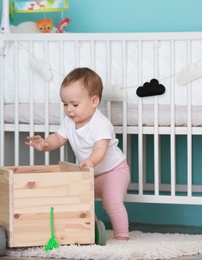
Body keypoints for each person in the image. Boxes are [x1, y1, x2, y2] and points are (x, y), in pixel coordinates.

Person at [25, 67, 130, 240]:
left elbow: (100, 148)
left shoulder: (99, 124)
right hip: (90, 173)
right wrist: (44, 144)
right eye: (65, 104)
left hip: (114, 171)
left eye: (74, 104)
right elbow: (58, 138)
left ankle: (122, 235)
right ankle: (93, 231)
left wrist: (91, 161)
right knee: (81, 202)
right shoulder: (69, 122)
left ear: (94, 101)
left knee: (111, 203)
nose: (69, 110)